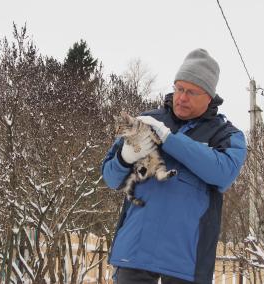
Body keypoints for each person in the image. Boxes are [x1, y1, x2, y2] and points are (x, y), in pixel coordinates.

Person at [101, 48, 247, 284]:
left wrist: (168, 139)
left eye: (191, 92)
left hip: (186, 262)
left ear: (209, 95)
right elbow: (109, 177)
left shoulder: (226, 135)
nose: (181, 97)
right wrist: (124, 158)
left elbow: (223, 173)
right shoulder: (145, 121)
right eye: (179, 88)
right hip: (134, 253)